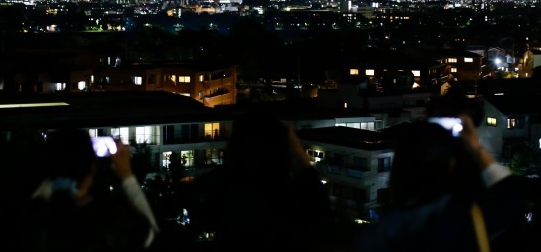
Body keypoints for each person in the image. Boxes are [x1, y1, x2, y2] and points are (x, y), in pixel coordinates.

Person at [356, 113, 536, 252]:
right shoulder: (469, 222)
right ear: (450, 165)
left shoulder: (373, 237)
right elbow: (512, 194)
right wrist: (476, 149)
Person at [183, 111, 333, 251]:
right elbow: (320, 208)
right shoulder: (288, 193)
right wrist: (299, 153)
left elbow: (204, 217)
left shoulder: (228, 189)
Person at [23, 128, 159, 252]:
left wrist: (58, 169)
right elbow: (150, 232)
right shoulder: (109, 222)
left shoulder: (34, 219)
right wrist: (126, 174)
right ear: (92, 170)